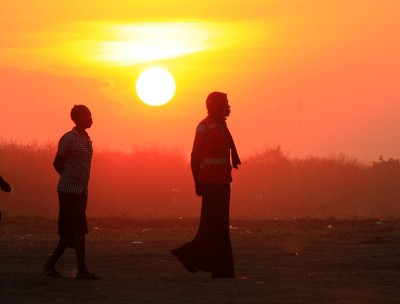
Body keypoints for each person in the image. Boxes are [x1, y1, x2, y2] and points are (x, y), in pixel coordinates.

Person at [172, 91, 241, 278]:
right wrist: (197, 183)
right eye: (225, 103)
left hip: (223, 183)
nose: (228, 107)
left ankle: (220, 269)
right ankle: (197, 259)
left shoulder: (221, 127)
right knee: (212, 227)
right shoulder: (204, 127)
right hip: (210, 184)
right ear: (215, 105)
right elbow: (194, 157)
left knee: (218, 227)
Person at [42, 105, 100, 279]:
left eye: (91, 115)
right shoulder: (68, 138)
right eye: (87, 116)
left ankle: (49, 265)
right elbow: (57, 163)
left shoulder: (86, 139)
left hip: (81, 190)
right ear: (78, 119)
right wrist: (69, 177)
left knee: (69, 232)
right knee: (79, 229)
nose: (91, 119)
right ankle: (81, 271)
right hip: (68, 190)